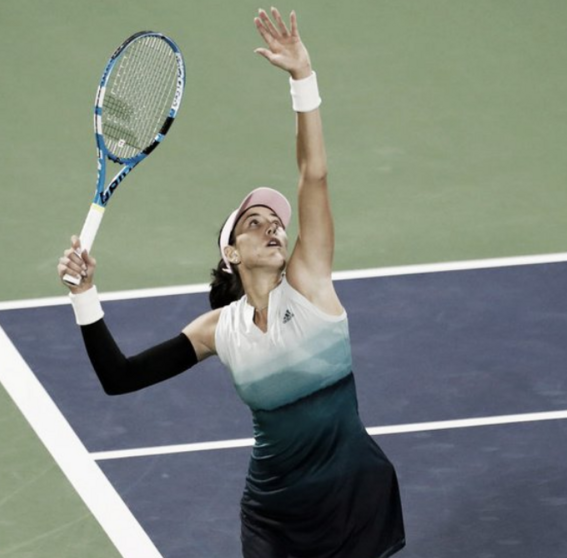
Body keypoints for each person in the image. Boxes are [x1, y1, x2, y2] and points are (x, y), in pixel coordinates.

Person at [57, 8, 405, 558]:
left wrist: (302, 79)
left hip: (351, 496)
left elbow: (314, 173)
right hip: (274, 512)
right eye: (254, 222)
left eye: (277, 223)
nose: (272, 227)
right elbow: (118, 378)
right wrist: (83, 295)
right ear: (230, 252)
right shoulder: (218, 330)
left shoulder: (311, 283)